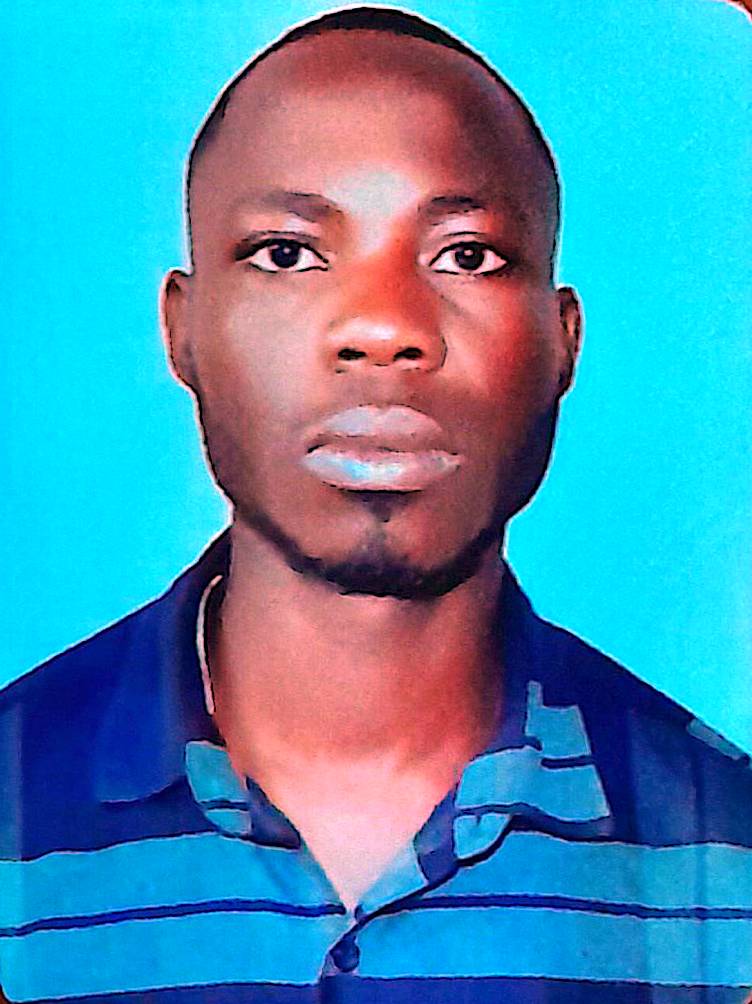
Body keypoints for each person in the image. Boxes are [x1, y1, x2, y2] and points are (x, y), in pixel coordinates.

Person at [1, 7, 750, 1002]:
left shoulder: (728, 850)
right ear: (182, 330)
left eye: (467, 256)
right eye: (286, 253)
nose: (383, 326)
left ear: (561, 341)